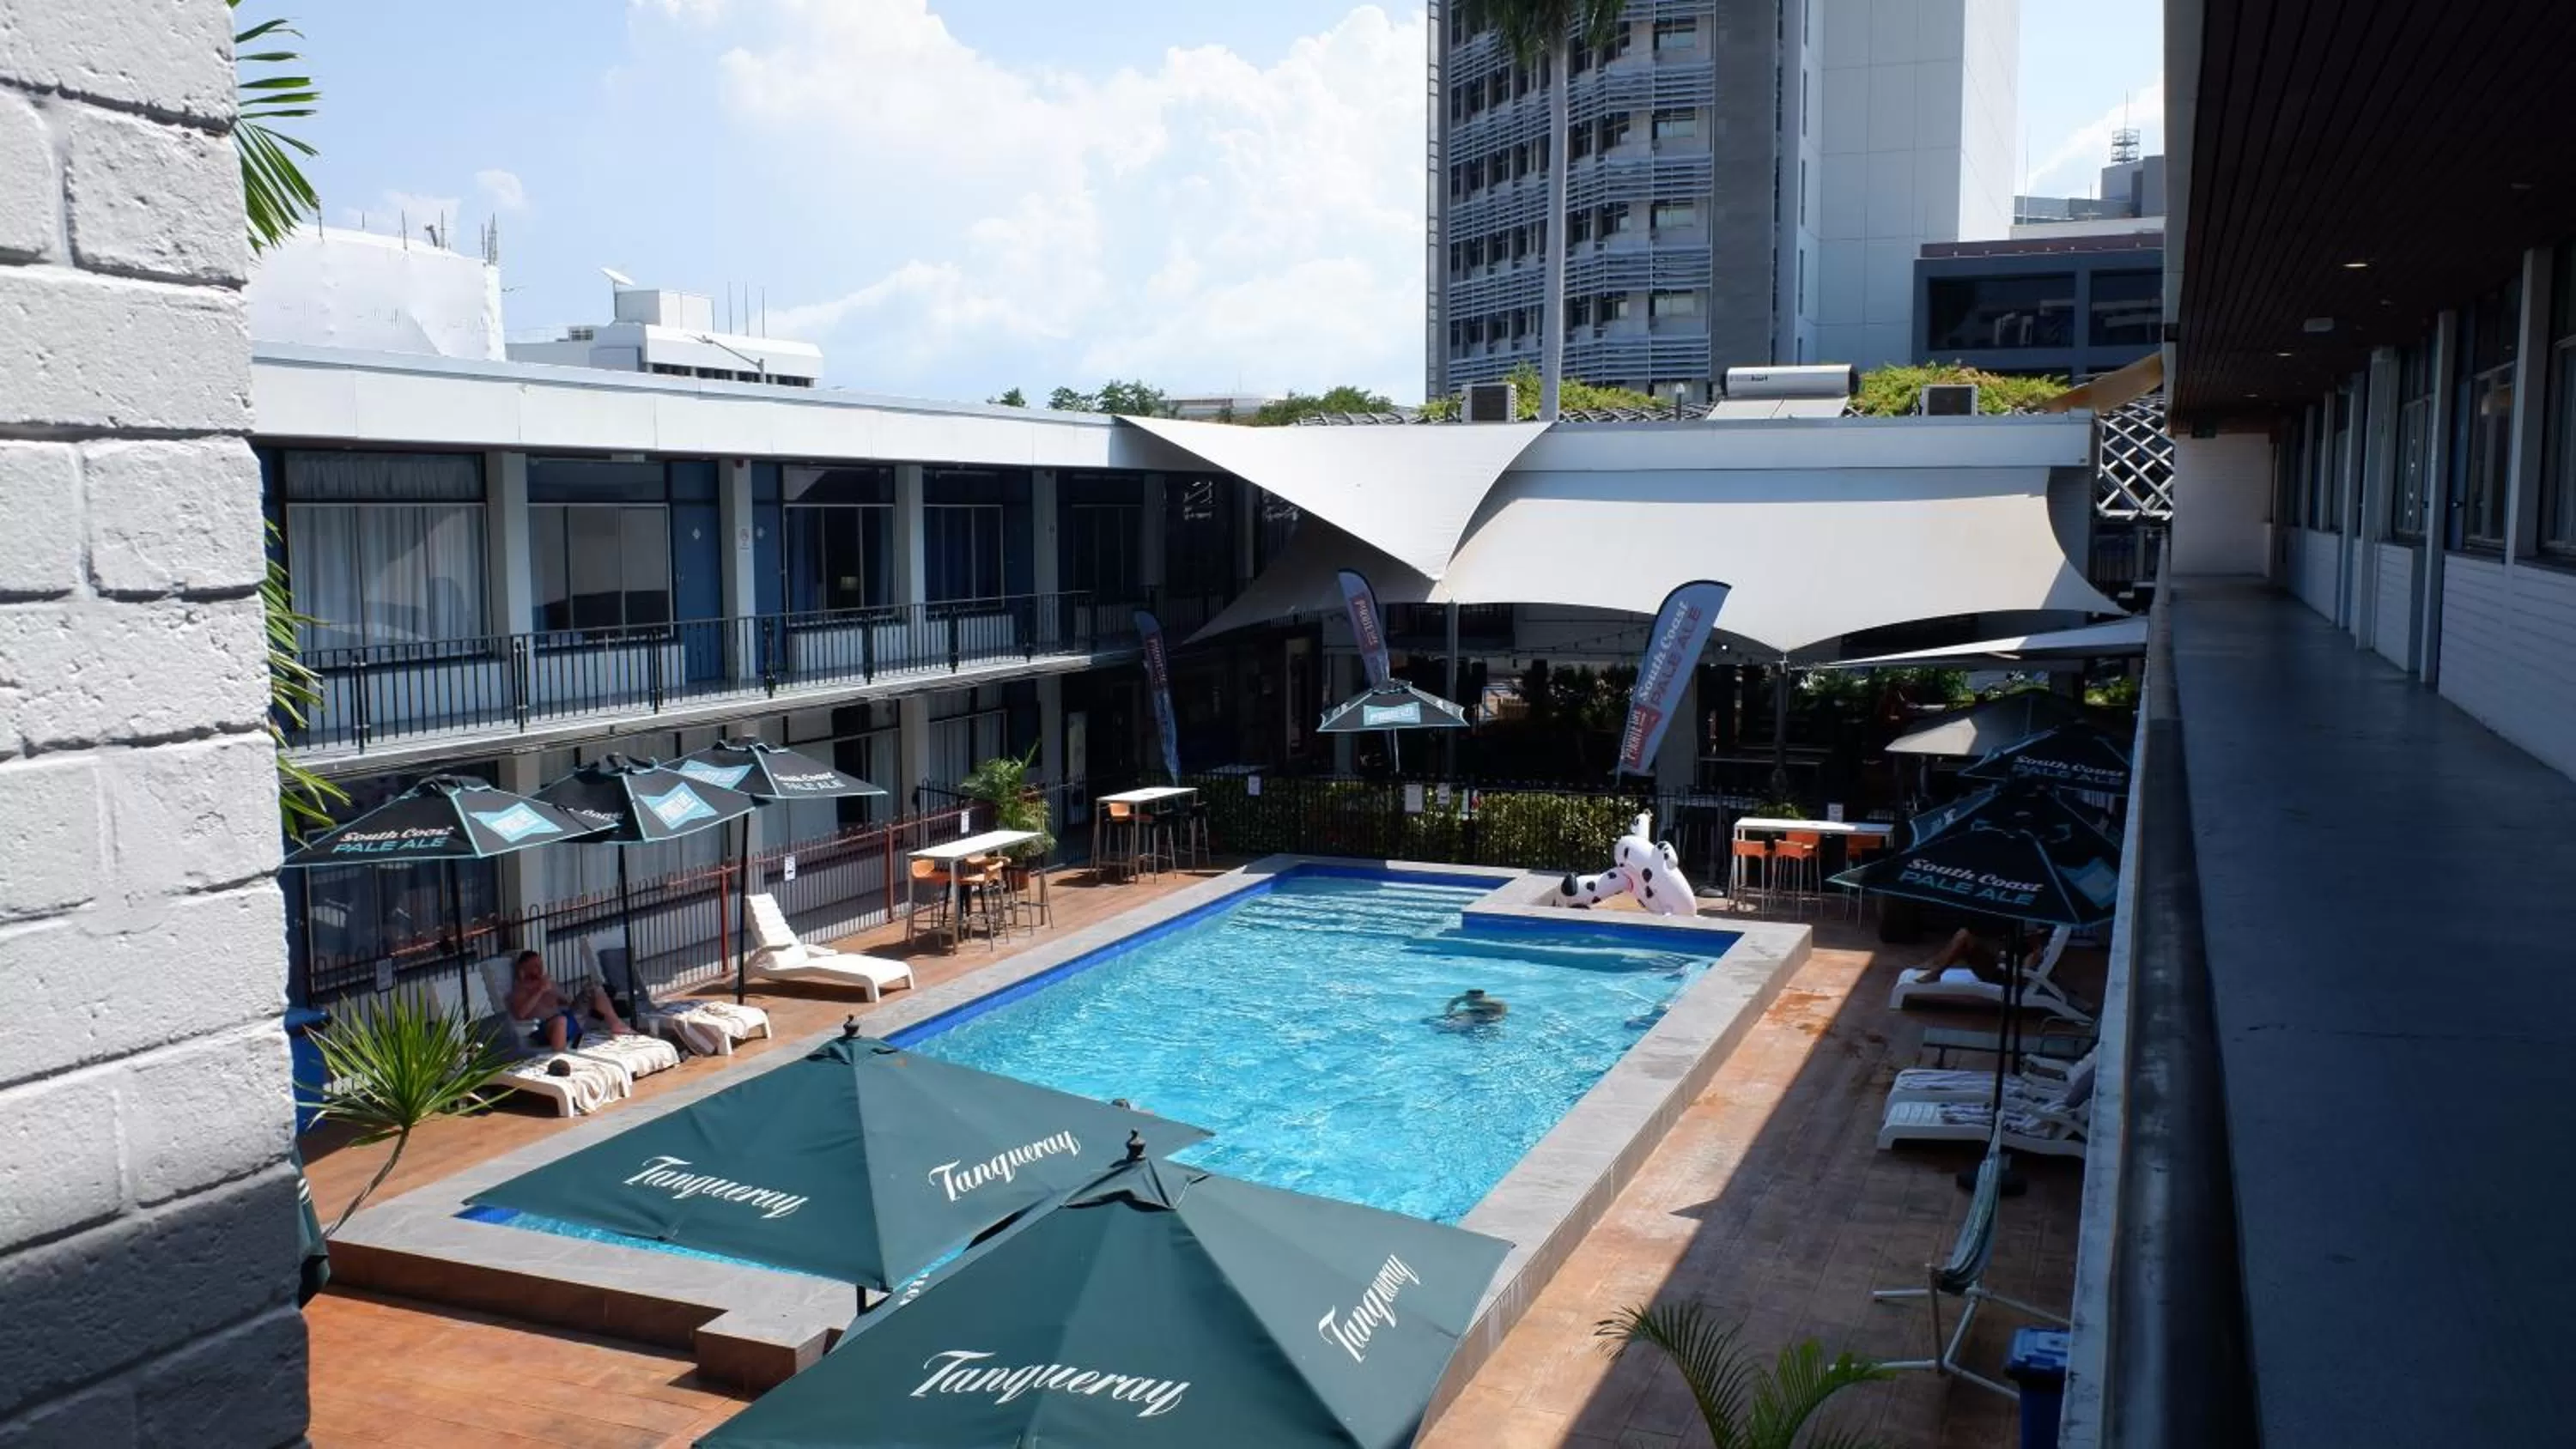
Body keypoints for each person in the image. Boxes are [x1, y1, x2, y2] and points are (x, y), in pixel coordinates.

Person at [506, 949, 633, 1052]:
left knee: (594, 988)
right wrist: (540, 991)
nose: (539, 969)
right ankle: (561, 1055)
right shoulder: (520, 990)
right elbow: (520, 1014)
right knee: (561, 1021)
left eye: (540, 965)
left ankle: (616, 1024)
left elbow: (569, 1001)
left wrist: (554, 991)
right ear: (522, 970)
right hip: (545, 1027)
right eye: (534, 966)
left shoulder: (549, 984)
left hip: (569, 1019)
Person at [1917, 927, 2004, 983]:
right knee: (1963, 933)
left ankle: (1936, 970)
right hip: (1999, 968)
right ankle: (1936, 965)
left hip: (2002, 976)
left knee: (1964, 938)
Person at [1443, 989, 1508, 1024]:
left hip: (1488, 1019)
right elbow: (1452, 1004)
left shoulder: (1494, 1003)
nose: (1476, 994)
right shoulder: (1465, 1000)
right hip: (1477, 1016)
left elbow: (1501, 1013)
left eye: (1478, 992)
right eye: (1473, 992)